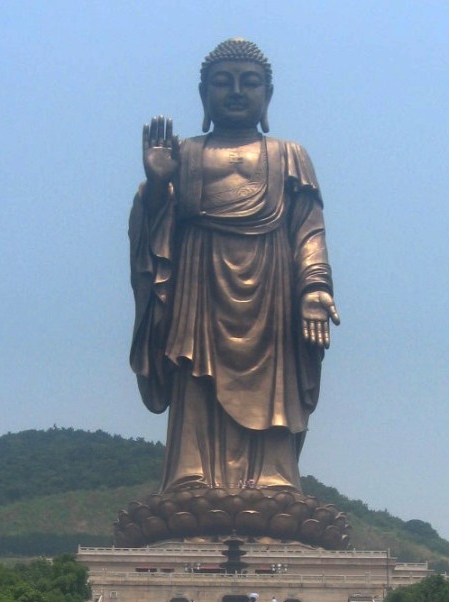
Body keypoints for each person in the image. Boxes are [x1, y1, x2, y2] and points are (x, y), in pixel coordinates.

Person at [130, 39, 339, 499]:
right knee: (194, 375)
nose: (237, 91)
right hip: (199, 285)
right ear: (204, 95)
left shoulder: (289, 155)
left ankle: (274, 480)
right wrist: (157, 185)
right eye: (224, 83)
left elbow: (308, 229)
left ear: (268, 94)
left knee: (274, 385)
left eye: (251, 82)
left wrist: (314, 289)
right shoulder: (183, 153)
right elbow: (155, 232)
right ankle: (191, 476)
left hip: (273, 287)